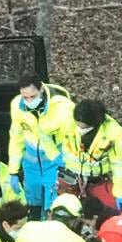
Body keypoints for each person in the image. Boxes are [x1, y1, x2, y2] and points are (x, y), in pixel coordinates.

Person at [8, 73, 75, 220]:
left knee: (53, 206)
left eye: (33, 96)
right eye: (25, 97)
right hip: (31, 165)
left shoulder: (63, 107)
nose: (29, 101)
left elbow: (71, 139)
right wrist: (13, 170)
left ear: (41, 90)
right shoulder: (17, 105)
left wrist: (67, 163)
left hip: (55, 163)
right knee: (33, 206)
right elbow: (16, 138)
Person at [59, 99, 122, 213]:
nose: (80, 130)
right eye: (78, 126)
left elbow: (118, 164)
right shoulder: (67, 122)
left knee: (109, 209)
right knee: (63, 208)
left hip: (97, 179)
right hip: (70, 175)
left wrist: (121, 193)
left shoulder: (114, 133)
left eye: (84, 128)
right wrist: (53, 157)